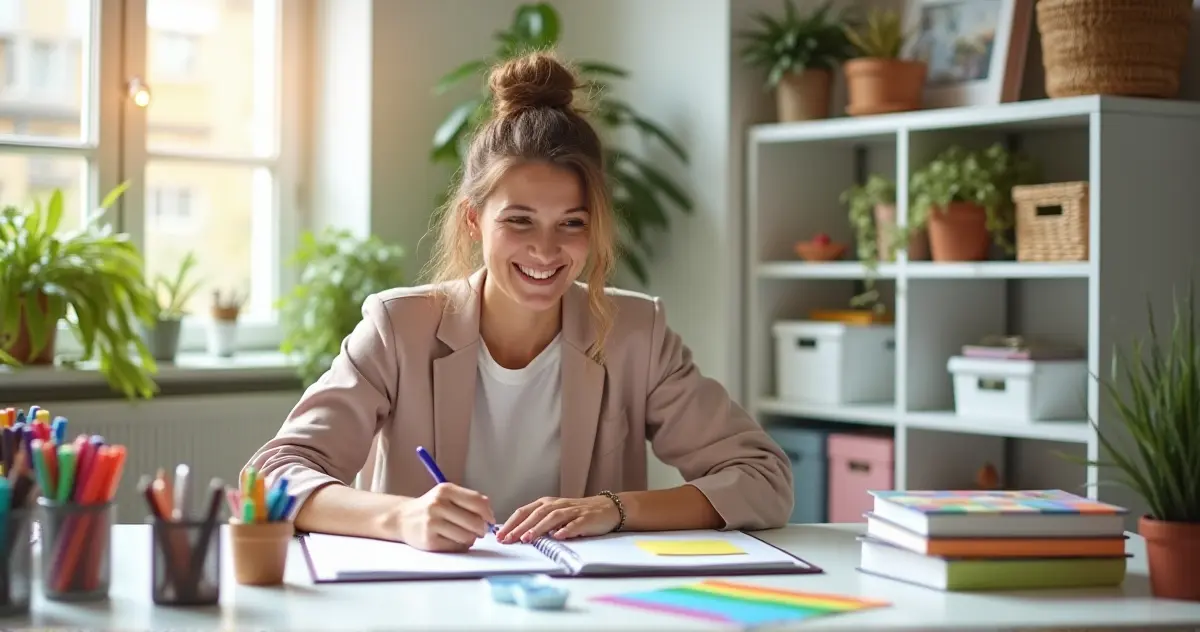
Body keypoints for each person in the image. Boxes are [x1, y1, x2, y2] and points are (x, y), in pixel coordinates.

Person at [245, 51, 794, 553]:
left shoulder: (635, 331)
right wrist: (404, 519)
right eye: (519, 220)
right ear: (472, 220)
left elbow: (762, 478)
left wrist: (615, 510)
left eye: (572, 224)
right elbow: (271, 475)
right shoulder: (399, 326)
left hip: (580, 609)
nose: (546, 250)